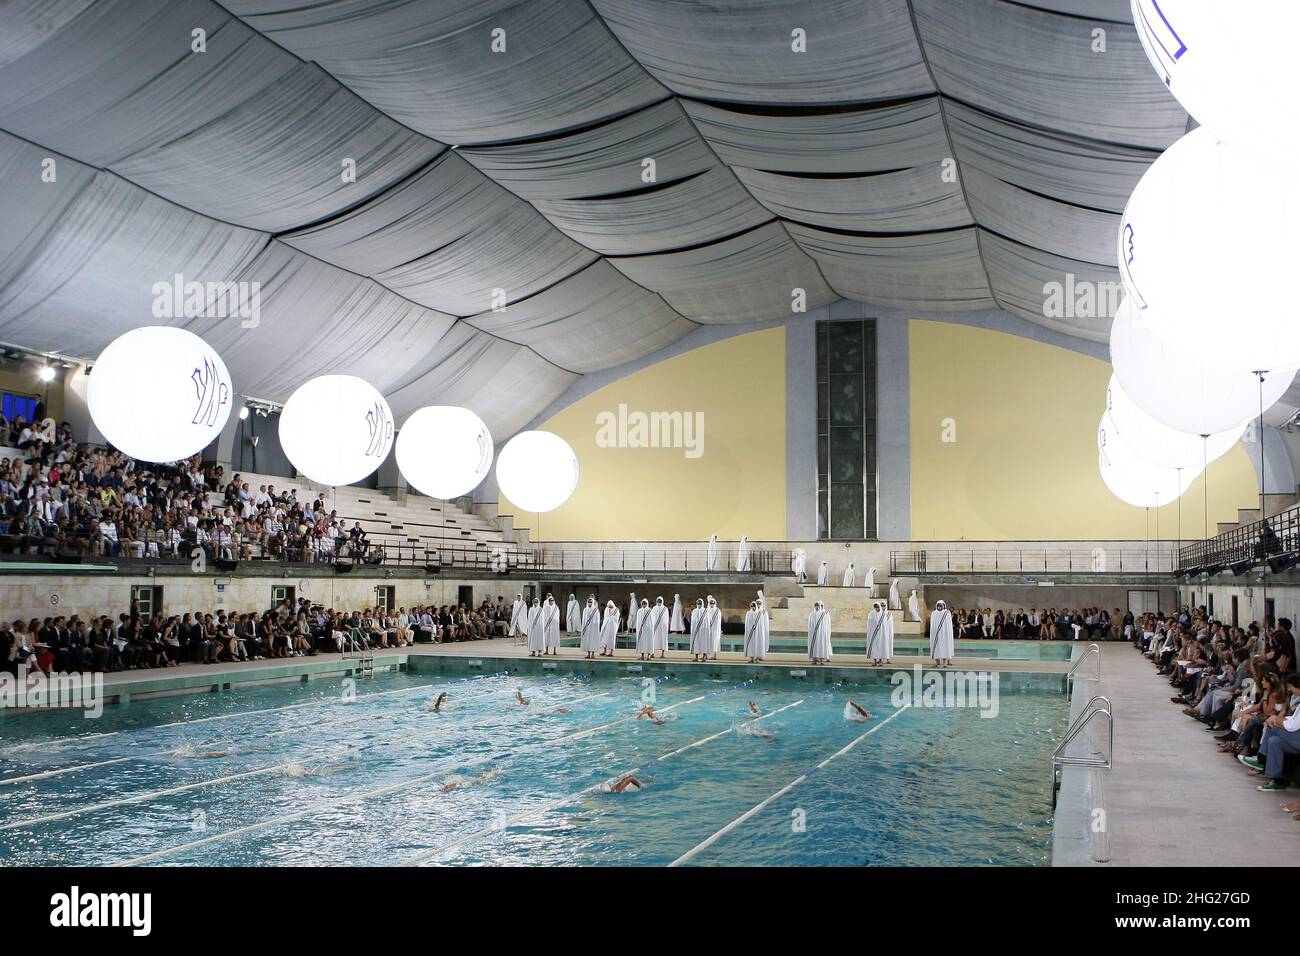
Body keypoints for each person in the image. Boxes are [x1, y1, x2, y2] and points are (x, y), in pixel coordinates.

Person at [866, 600, 894, 665]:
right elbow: (870, 623)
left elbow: (886, 625)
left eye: (878, 607)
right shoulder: (871, 614)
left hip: (882, 634)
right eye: (876, 607)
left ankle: (881, 660)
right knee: (874, 647)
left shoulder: (884, 615)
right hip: (873, 633)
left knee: (882, 646)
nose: (877, 608)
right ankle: (875, 661)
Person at [930, 599, 955, 667]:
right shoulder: (934, 613)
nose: (939, 607)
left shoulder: (947, 613)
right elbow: (932, 624)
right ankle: (937, 661)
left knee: (945, 647)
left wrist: (947, 634)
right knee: (936, 647)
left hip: (945, 634)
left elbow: (949, 626)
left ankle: (945, 662)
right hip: (936, 634)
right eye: (938, 605)